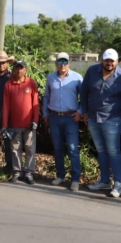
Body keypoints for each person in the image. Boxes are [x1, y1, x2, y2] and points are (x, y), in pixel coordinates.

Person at [80, 48, 121, 198]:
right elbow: (84, 91)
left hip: (112, 120)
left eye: (112, 61)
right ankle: (104, 181)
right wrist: (84, 111)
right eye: (106, 60)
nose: (109, 63)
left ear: (117, 62)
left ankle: (118, 184)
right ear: (102, 60)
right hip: (93, 118)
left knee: (113, 151)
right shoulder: (92, 71)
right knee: (101, 151)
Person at [43, 52, 83, 192]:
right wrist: (45, 114)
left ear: (69, 63)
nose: (62, 65)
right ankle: (60, 175)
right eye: (60, 62)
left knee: (72, 148)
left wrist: (80, 112)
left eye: (65, 62)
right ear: (56, 63)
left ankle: (75, 179)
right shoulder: (51, 78)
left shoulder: (77, 78)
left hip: (70, 118)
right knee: (58, 148)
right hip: (54, 117)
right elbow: (46, 96)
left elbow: (83, 97)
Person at [2, 60, 40, 184]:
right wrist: (4, 125)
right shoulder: (9, 84)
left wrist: (35, 120)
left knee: (30, 149)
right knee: (15, 149)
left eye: (21, 68)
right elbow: (6, 106)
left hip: (29, 124)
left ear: (25, 70)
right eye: (17, 68)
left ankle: (29, 172)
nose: (19, 70)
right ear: (13, 70)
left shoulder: (31, 83)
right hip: (14, 124)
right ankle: (17, 172)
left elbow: (35, 104)